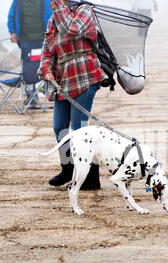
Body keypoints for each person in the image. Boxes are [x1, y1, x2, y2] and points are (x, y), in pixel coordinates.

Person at [38, 0, 108, 190]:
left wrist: (58, 7)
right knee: (59, 127)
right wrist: (46, 69)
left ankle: (91, 178)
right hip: (62, 80)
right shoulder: (54, 19)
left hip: (85, 74)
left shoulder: (85, 10)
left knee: (79, 129)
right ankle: (68, 169)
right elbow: (47, 49)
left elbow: (71, 29)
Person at [8, 0, 52, 108]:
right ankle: (31, 97)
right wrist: (12, 32)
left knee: (46, 65)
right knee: (28, 68)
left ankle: (48, 91)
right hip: (25, 40)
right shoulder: (17, 1)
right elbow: (11, 16)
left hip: (44, 39)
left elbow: (54, 14)